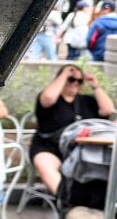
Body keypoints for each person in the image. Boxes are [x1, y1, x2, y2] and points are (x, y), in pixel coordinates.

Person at [30, 64, 114, 194]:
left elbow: (108, 110)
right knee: (45, 164)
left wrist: (95, 86)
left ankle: (99, 202)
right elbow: (48, 98)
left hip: (84, 149)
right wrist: (65, 73)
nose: (75, 83)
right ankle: (65, 200)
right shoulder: (50, 98)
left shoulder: (87, 101)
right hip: (50, 148)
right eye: (71, 79)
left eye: (79, 80)